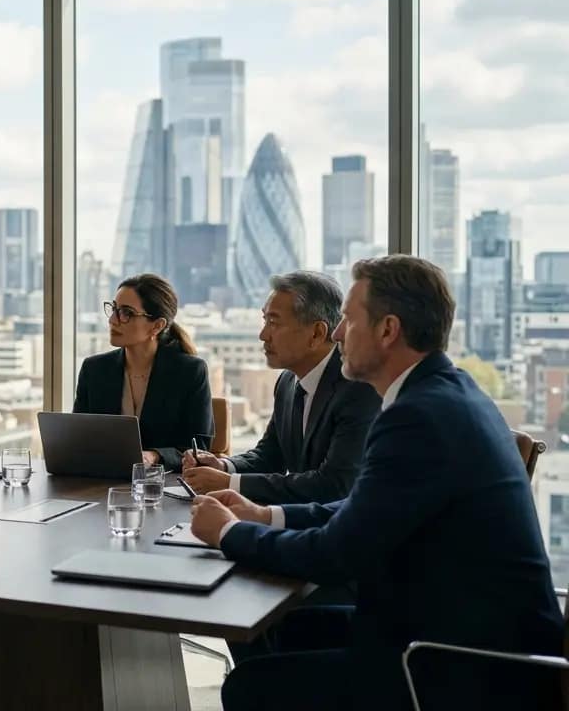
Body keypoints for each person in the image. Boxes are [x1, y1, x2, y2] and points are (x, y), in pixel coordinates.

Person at [190, 255, 562, 711]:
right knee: (274, 631)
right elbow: (363, 509)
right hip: (445, 628)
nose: (337, 333)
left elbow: (335, 554)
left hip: (465, 665)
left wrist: (228, 533)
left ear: (388, 330)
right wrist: (264, 515)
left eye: (348, 319)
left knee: (250, 687)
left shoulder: (417, 416)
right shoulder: (445, 391)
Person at [181, 271, 380, 505]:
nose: (263, 335)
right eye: (264, 320)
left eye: (274, 323)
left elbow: (334, 486)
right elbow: (269, 457)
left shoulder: (359, 388)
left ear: (317, 333)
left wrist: (229, 483)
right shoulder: (287, 381)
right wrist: (224, 466)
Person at [73, 273, 212, 471]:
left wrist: (155, 456)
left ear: (157, 326)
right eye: (114, 309)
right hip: (101, 479)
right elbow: (78, 438)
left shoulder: (190, 372)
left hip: (162, 483)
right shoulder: (94, 370)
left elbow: (200, 448)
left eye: (126, 313)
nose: (112, 320)